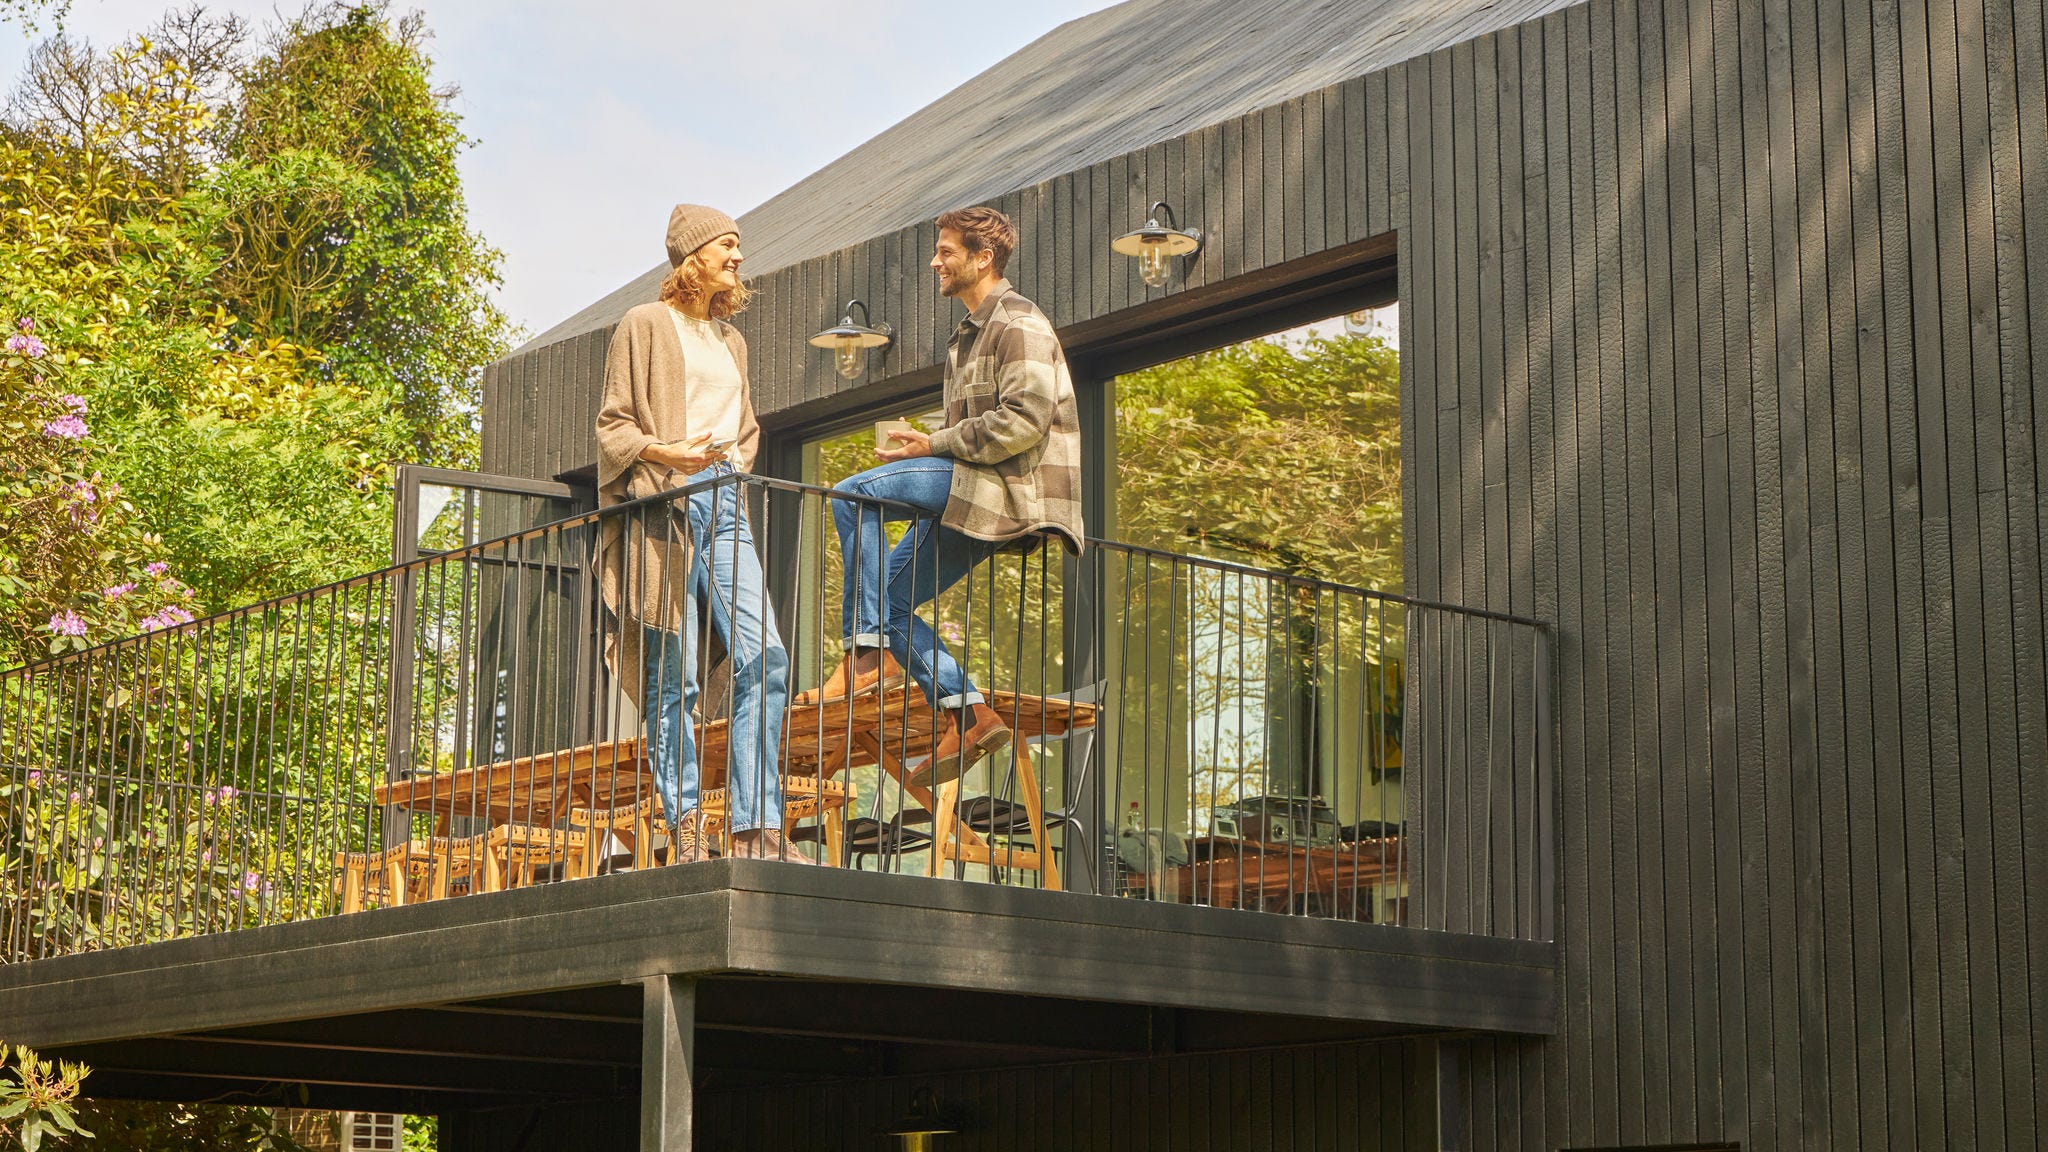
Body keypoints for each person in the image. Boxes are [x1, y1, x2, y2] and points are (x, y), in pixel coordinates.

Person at [816, 206, 1085, 786]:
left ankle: (865, 656)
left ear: (982, 258)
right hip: (972, 490)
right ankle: (968, 713)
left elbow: (1024, 419)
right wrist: (932, 445)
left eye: (946, 252)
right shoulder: (967, 336)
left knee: (853, 495)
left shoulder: (1019, 322)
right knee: (889, 605)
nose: (935, 262)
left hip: (1006, 490)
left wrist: (932, 443)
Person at [595, 204, 805, 864]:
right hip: (664, 507)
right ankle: (686, 825)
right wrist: (668, 454)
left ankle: (754, 828)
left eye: (738, 246)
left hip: (725, 503)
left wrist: (729, 465)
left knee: (765, 658)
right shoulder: (644, 324)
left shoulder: (731, 340)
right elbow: (614, 426)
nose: (738, 256)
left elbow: (745, 428)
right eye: (727, 245)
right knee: (674, 680)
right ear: (693, 257)